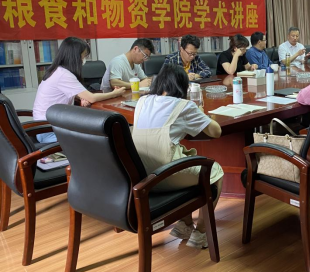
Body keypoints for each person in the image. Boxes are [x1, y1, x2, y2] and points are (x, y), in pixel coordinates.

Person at [132, 64, 224, 249]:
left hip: (141, 175)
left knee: (181, 157)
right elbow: (216, 132)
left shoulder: (142, 101)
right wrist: (202, 114)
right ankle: (201, 233)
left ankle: (185, 225)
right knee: (215, 171)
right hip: (165, 176)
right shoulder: (183, 106)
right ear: (183, 86)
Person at [33, 37, 126, 143]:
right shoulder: (64, 75)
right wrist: (115, 93)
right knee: (100, 136)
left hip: (46, 127)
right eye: (84, 55)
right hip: (49, 131)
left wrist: (81, 96)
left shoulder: (57, 70)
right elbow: (91, 98)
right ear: (75, 56)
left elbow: (72, 92)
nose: (84, 59)